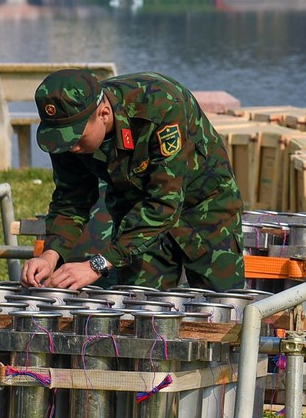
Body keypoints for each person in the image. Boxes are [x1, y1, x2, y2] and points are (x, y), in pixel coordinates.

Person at [22, 68, 246, 291]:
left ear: (104, 114)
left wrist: (96, 265)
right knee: (138, 310)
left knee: (221, 305)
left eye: (77, 138)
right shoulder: (64, 135)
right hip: (137, 213)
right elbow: (71, 199)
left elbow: (164, 202)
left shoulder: (160, 105)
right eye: (63, 140)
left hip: (205, 207)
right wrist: (51, 255)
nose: (72, 147)